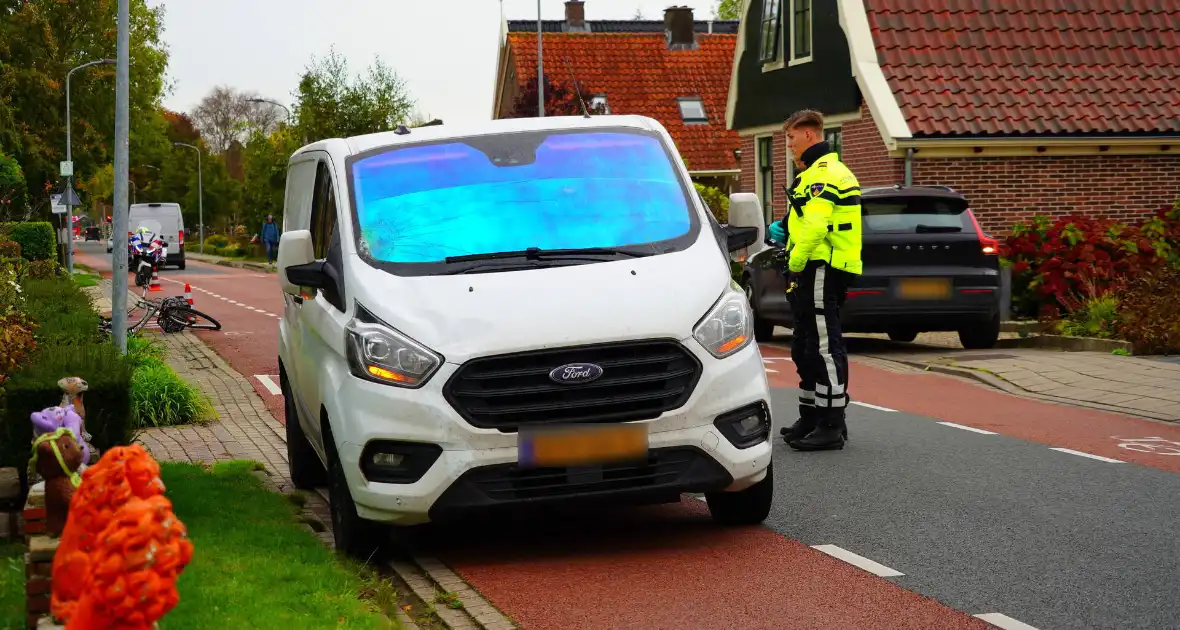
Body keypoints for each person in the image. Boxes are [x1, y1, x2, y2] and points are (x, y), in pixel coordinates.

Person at [767, 110, 863, 451]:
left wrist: (794, 261)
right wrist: (782, 228)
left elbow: (817, 225)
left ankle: (832, 423)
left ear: (809, 135)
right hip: (811, 266)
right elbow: (803, 219)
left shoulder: (827, 173)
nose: (789, 145)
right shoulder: (809, 174)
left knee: (823, 344)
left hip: (822, 265)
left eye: (791, 138)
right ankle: (810, 415)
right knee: (805, 345)